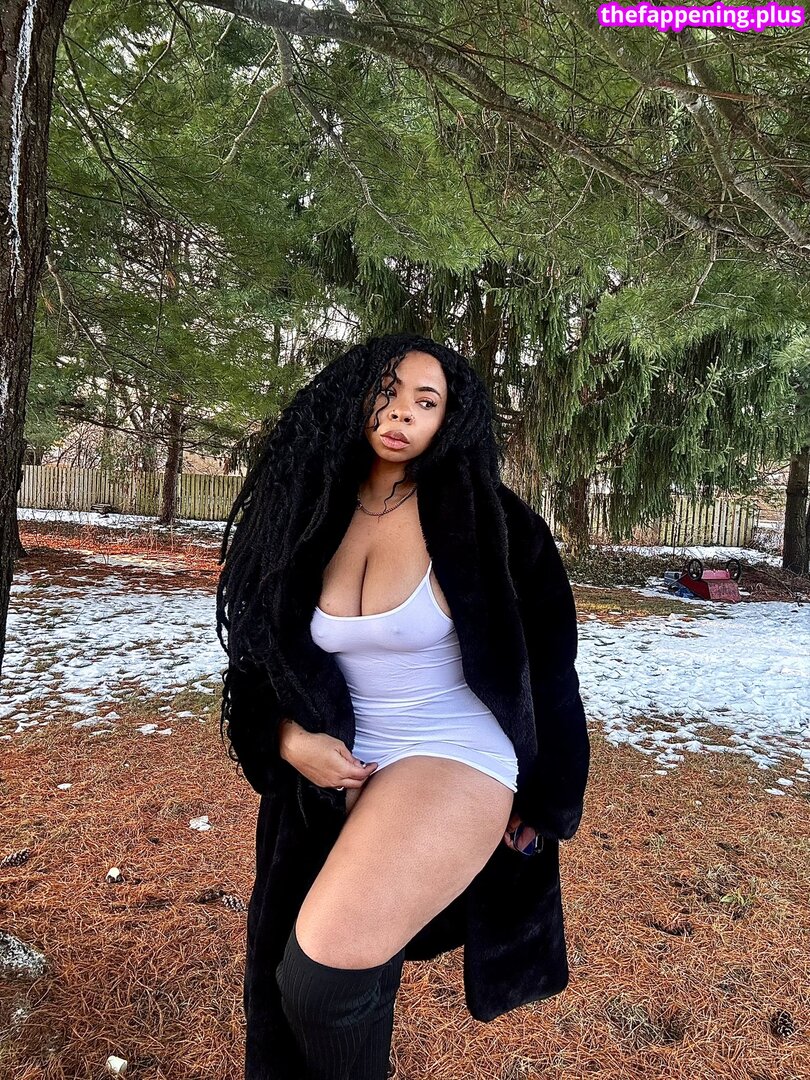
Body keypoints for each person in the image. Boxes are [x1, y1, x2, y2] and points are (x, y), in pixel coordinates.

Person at [216, 332, 589, 1080]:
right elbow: (256, 657)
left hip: (452, 749)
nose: (401, 414)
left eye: (426, 401)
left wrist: (548, 802)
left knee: (321, 981)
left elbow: (552, 668)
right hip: (343, 758)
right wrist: (286, 739)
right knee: (310, 981)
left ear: (450, 419)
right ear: (354, 400)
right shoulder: (305, 512)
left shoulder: (495, 523)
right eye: (386, 394)